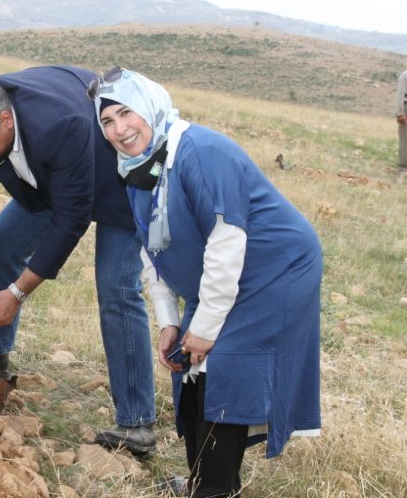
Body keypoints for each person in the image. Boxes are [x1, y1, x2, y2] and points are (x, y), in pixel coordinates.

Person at [90, 67, 322, 497]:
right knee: (190, 365)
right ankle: (203, 481)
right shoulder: (137, 168)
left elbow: (227, 241)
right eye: (107, 121)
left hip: (275, 268)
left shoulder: (200, 152)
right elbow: (151, 250)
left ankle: (214, 490)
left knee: (225, 365)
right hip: (223, 274)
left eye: (126, 113)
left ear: (151, 107)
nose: (120, 129)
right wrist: (170, 321)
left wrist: (206, 325)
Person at [0, 66, 158, 455]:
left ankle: (136, 423)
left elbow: (71, 220)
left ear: (6, 121)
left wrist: (18, 292)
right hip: (52, 178)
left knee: (116, 287)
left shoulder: (59, 124)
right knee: (3, 242)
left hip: (120, 179)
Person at [395, 69, 407, 169]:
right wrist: (400, 113)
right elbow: (400, 93)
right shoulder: (406, 75)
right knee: (404, 135)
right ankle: (404, 163)